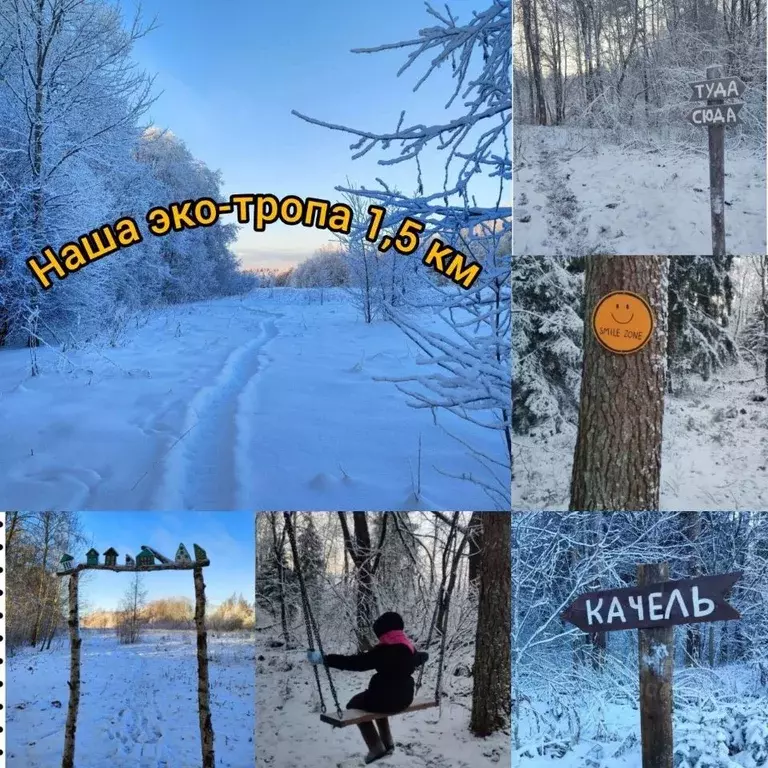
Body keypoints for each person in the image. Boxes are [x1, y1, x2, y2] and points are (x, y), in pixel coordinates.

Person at [307, 611, 429, 764]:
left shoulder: (383, 652)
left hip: (384, 699)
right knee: (377, 704)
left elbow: (355, 663)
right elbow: (420, 658)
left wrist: (325, 659)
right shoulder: (410, 649)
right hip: (405, 698)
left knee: (354, 705)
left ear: (384, 633)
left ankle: (376, 747)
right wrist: (425, 656)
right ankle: (388, 743)